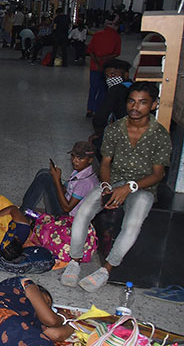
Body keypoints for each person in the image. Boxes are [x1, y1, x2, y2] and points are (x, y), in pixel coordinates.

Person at [62, 82, 172, 291]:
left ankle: (106, 269)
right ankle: (74, 261)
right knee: (84, 211)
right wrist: (106, 187)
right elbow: (105, 163)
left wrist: (128, 188)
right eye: (131, 101)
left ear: (154, 105)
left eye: (142, 102)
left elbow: (158, 174)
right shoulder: (114, 129)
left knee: (133, 223)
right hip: (113, 181)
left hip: (143, 187)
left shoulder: (160, 135)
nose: (135, 107)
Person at [21, 141, 99, 218]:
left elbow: (67, 208)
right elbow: (64, 190)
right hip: (64, 205)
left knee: (44, 177)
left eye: (80, 158)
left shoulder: (85, 182)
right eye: (73, 156)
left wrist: (57, 180)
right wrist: (56, 177)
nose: (74, 161)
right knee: (45, 172)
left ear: (90, 160)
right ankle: (25, 210)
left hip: (67, 217)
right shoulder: (79, 172)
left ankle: (24, 213)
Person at [85, 14, 121, 117]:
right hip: (108, 68)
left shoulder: (97, 35)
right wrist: (105, 58)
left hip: (95, 66)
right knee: (103, 89)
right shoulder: (116, 37)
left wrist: (97, 61)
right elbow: (117, 53)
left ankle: (90, 109)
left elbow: (90, 50)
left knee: (93, 88)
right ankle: (98, 109)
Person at [91, 59, 132, 148]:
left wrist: (98, 133)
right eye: (107, 76)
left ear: (126, 75)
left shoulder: (115, 90)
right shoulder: (133, 87)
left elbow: (101, 116)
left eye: (113, 74)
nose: (110, 78)